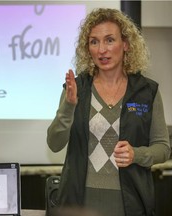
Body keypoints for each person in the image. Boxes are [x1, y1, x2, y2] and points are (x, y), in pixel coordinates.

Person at [46, 8, 171, 216]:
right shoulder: (77, 88)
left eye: (109, 40)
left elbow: (163, 148)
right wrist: (69, 106)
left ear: (126, 44)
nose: (101, 49)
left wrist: (137, 154)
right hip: (79, 203)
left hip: (130, 203)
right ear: (88, 49)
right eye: (94, 42)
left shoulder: (147, 92)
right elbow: (54, 143)